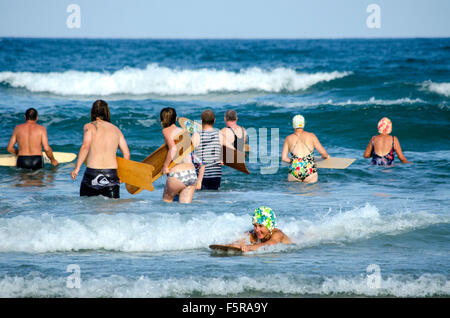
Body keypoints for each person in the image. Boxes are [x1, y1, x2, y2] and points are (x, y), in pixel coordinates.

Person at [71, 100, 130, 199]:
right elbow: (127, 154)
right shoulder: (116, 129)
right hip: (111, 175)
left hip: (92, 174)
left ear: (93, 112)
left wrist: (77, 168)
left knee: (87, 210)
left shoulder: (89, 127)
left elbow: (85, 147)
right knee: (111, 211)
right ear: (107, 112)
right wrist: (123, 175)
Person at [160, 107, 197, 203]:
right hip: (192, 173)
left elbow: (173, 149)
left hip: (178, 173)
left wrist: (165, 166)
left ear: (162, 120)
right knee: (185, 210)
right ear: (176, 119)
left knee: (166, 204)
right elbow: (195, 138)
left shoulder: (166, 130)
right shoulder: (184, 131)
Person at [281, 115, 329, 183]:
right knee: (311, 191)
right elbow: (324, 154)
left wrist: (294, 161)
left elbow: (283, 158)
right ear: (303, 124)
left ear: (293, 124)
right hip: (309, 169)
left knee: (293, 192)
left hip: (295, 169)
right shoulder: (312, 136)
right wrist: (324, 157)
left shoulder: (288, 138)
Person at [192, 109, 223, 190]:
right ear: (214, 120)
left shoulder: (197, 135)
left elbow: (190, 153)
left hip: (202, 175)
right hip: (216, 174)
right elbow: (229, 150)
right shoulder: (219, 134)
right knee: (214, 196)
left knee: (202, 198)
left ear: (201, 121)